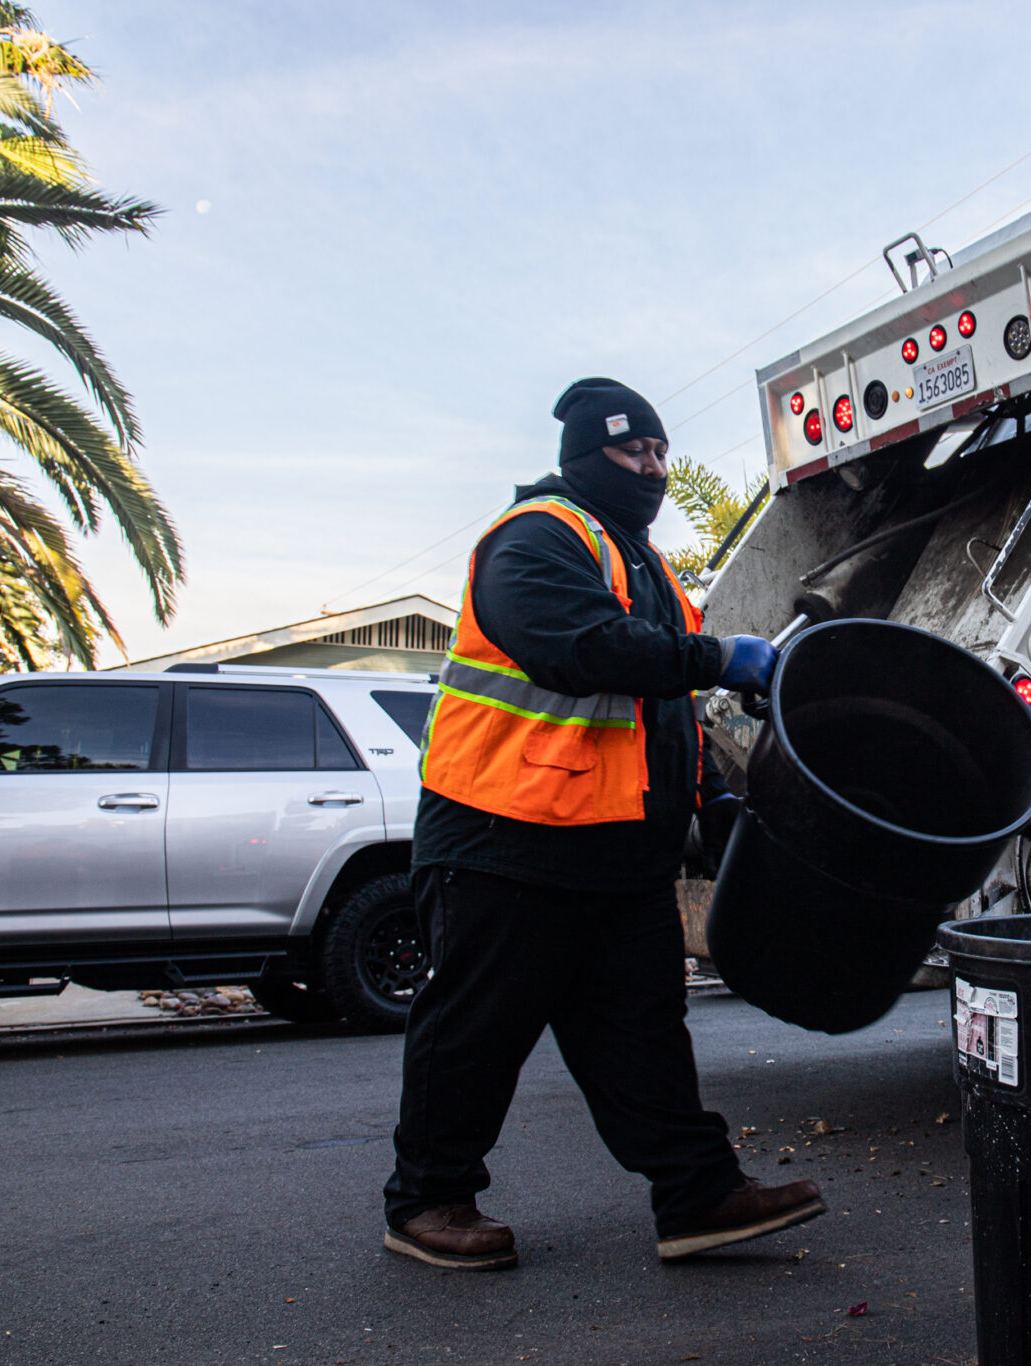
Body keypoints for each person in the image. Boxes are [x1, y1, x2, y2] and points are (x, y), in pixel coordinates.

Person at [382, 377, 824, 1271]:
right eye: (634, 453)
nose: (653, 469)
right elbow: (579, 649)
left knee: (642, 1029)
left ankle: (698, 1195)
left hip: (616, 848)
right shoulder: (536, 539)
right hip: (504, 834)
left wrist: (712, 801)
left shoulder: (648, 564)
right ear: (585, 460)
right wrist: (718, 655)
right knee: (476, 1028)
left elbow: (664, 712)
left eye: (661, 453)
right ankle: (427, 1199)